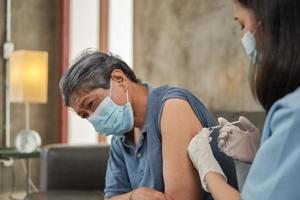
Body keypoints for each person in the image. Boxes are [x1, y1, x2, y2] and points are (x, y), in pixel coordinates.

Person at [59, 50, 238, 200]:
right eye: (84, 116)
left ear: (119, 79)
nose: (93, 118)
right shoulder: (121, 137)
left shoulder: (173, 107)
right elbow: (112, 197)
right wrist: (132, 196)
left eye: (91, 104)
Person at [188, 0, 300, 199]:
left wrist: (210, 172)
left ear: (266, 20)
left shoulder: (294, 114)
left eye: (242, 25)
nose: (244, 36)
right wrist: (261, 151)